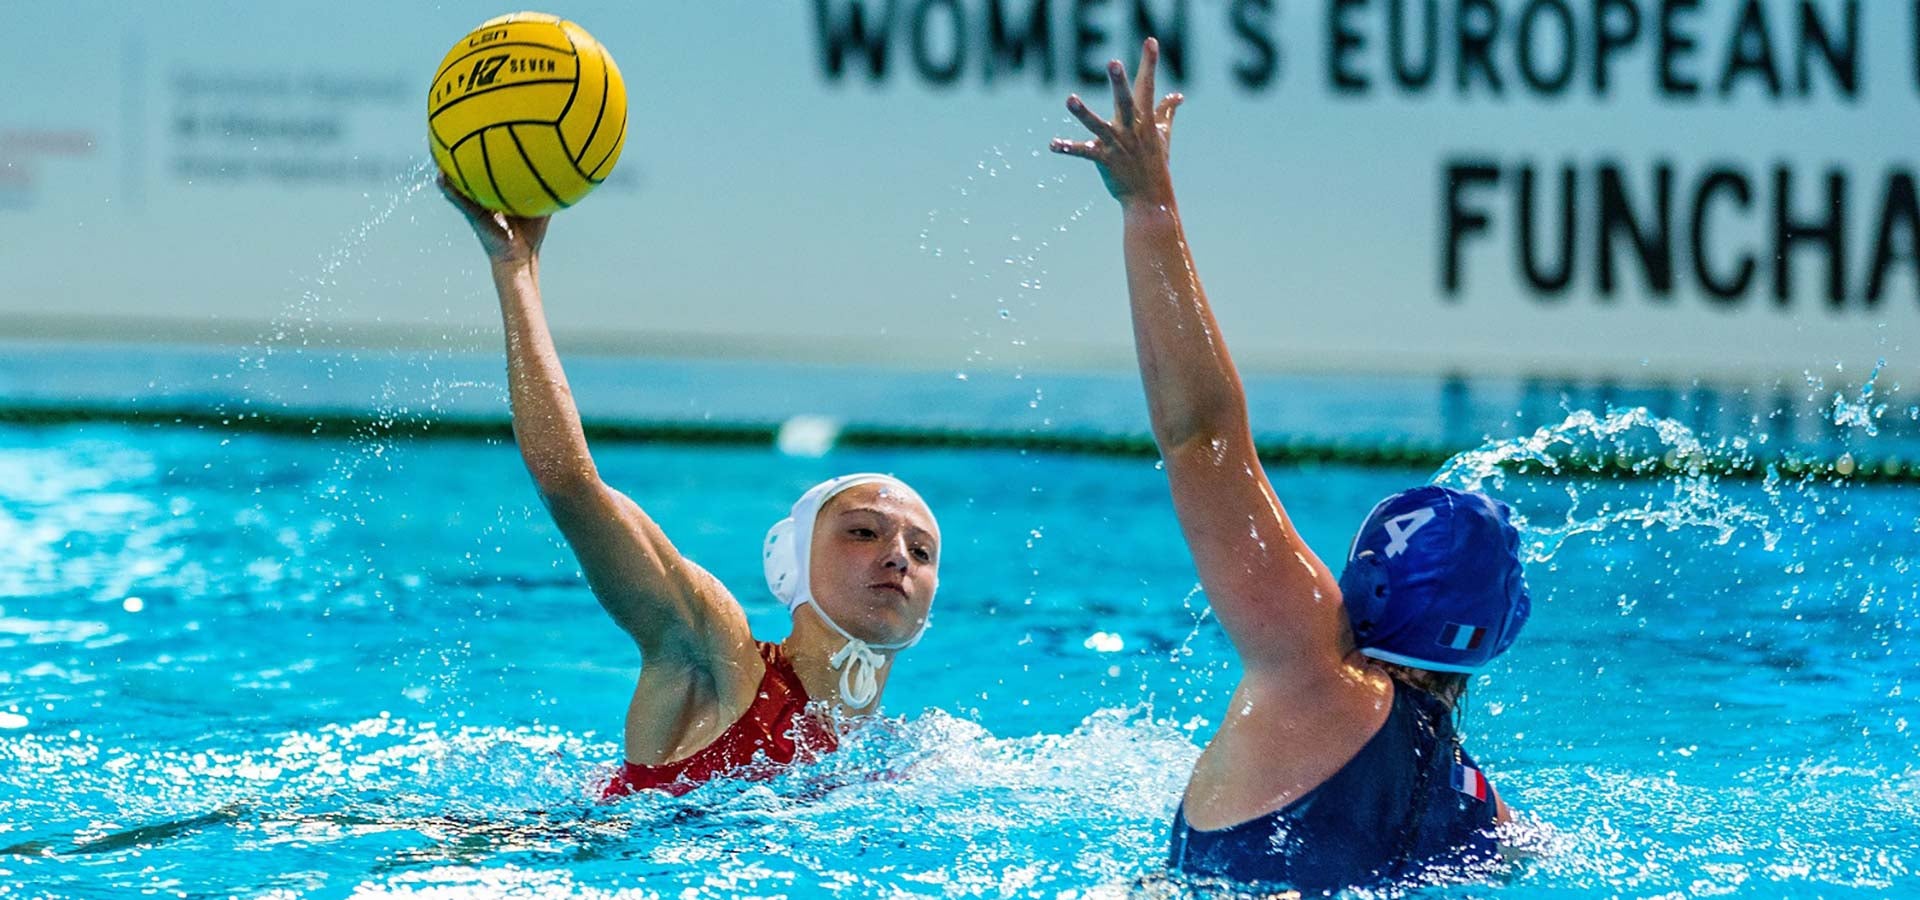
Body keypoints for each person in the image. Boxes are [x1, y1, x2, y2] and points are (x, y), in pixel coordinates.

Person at [1051, 41, 1530, 893]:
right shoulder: (1480, 811)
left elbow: (1202, 436)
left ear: (1367, 586)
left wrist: (1148, 206)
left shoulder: (1312, 667)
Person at [440, 178, 941, 800]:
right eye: (864, 531)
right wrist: (517, 269)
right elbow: (570, 485)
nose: (897, 555)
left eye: (921, 552)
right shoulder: (716, 660)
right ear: (793, 564)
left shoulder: (904, 763)